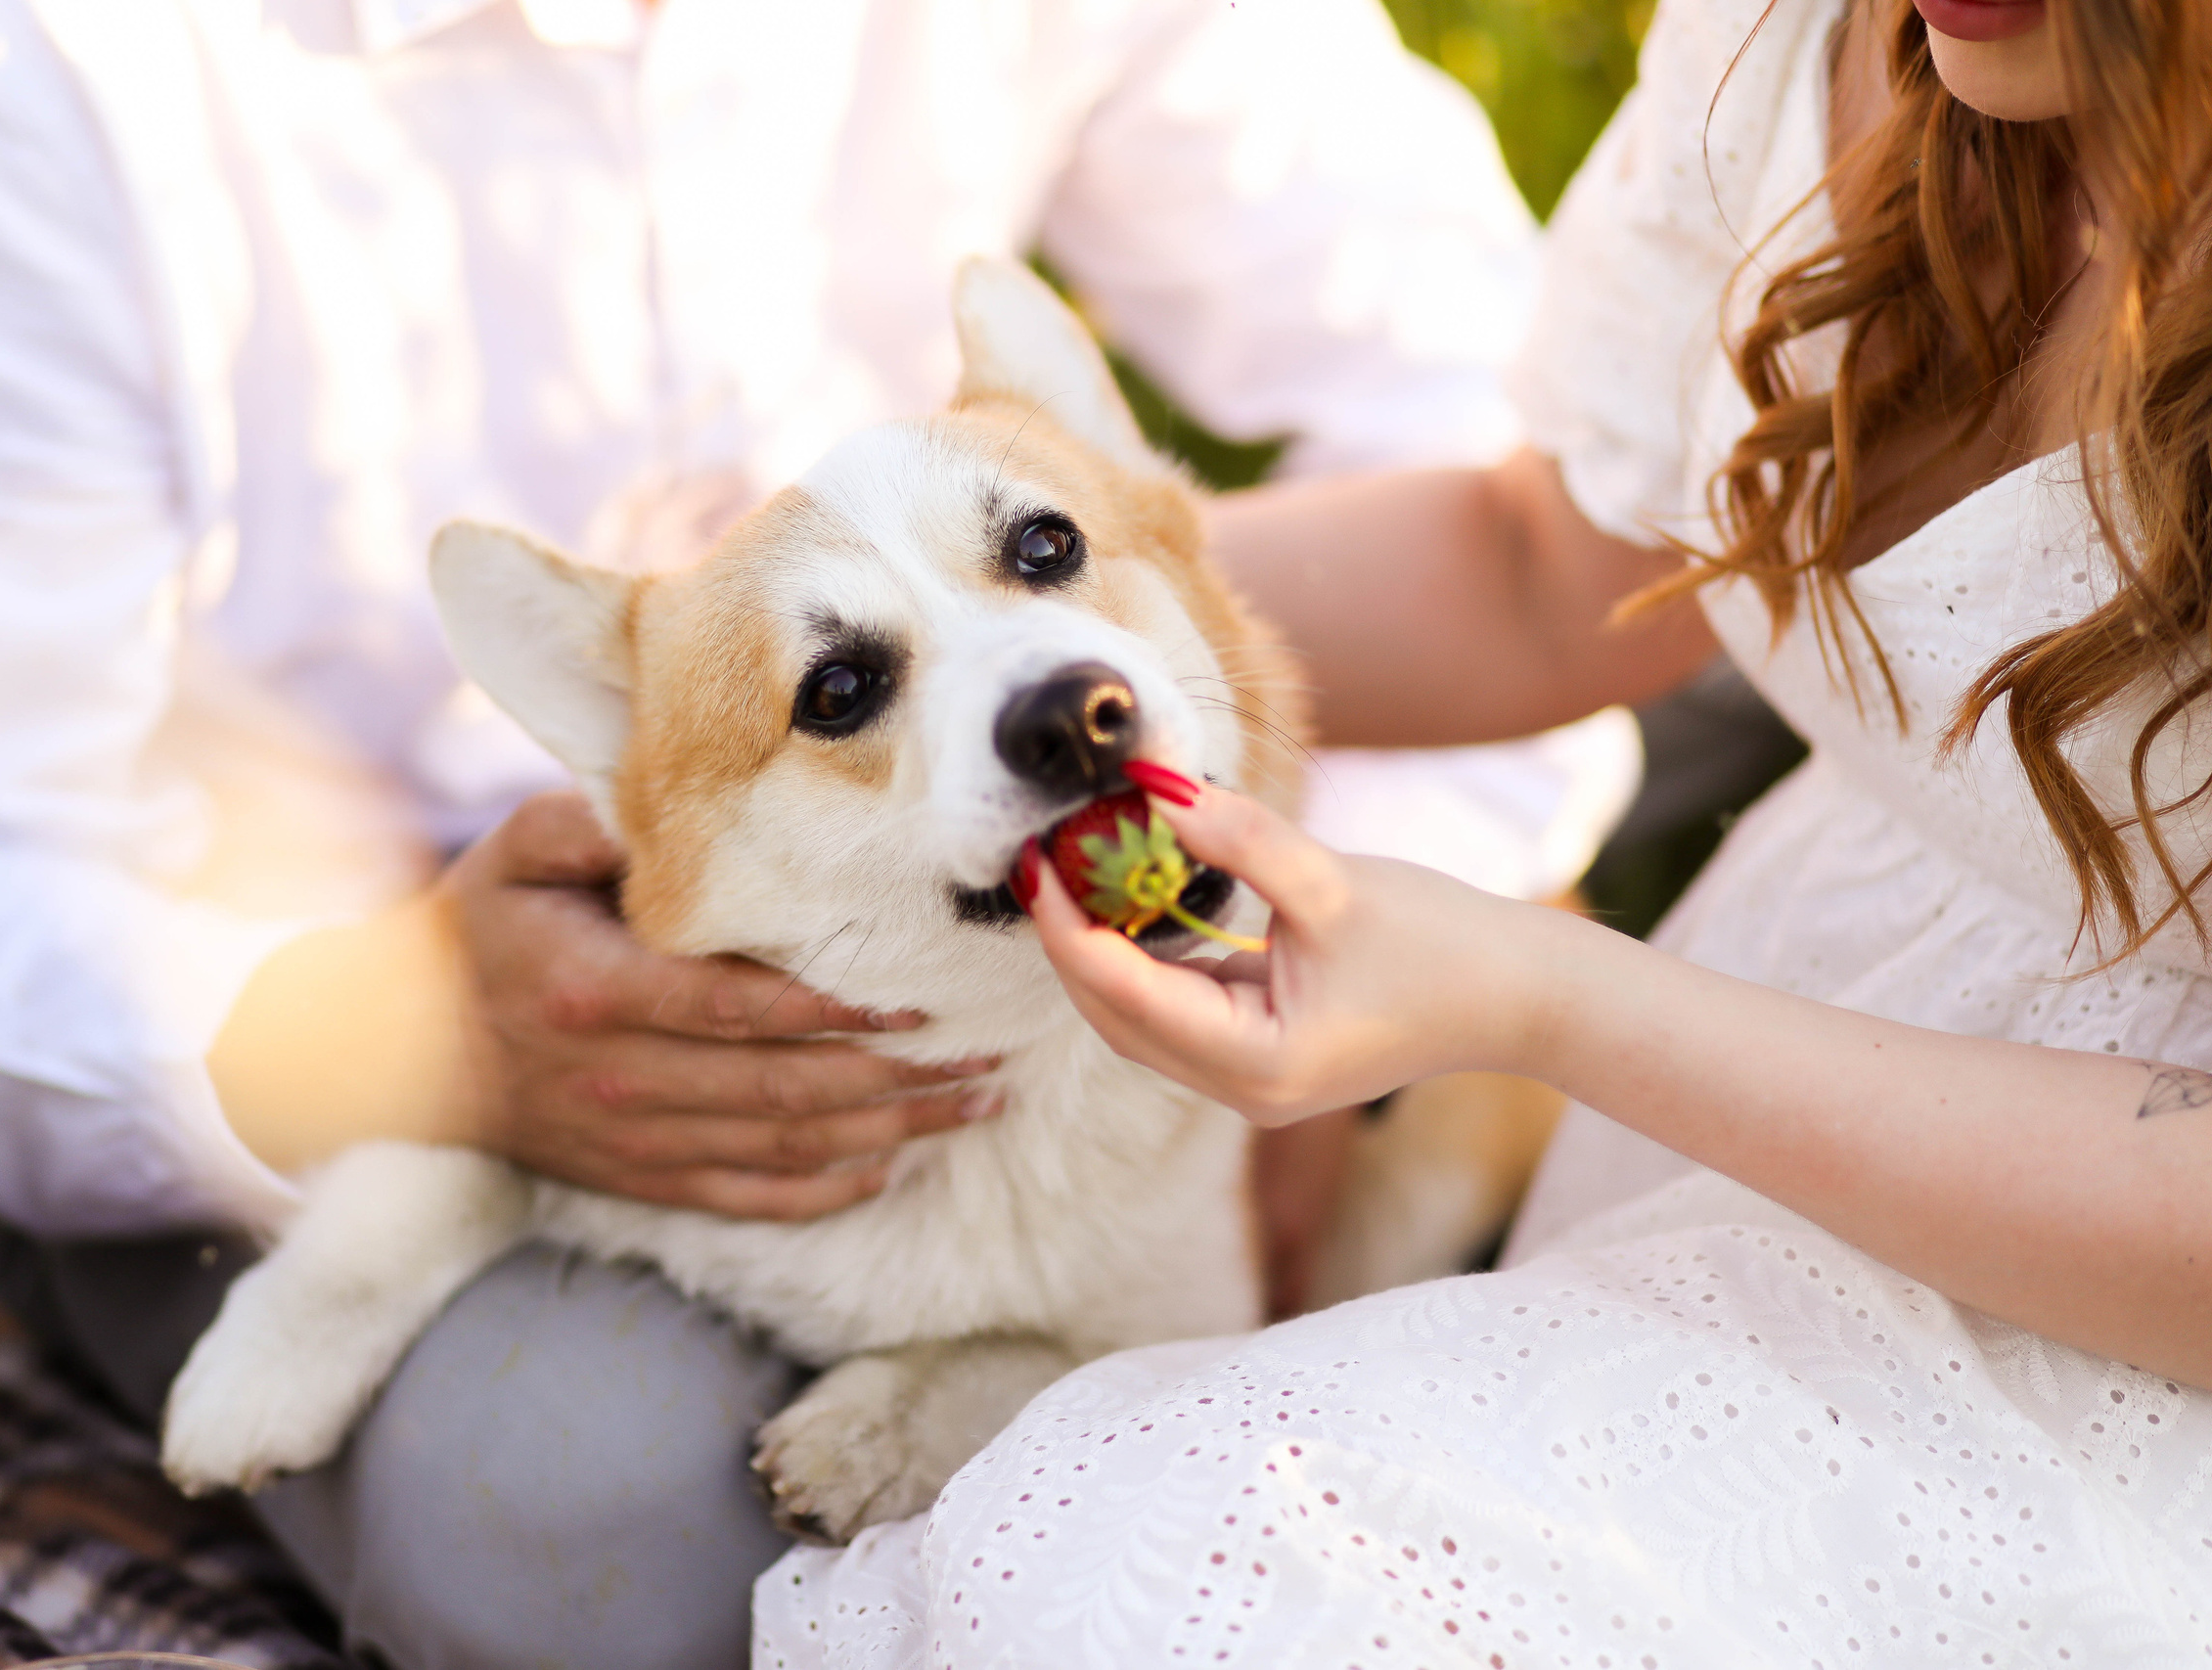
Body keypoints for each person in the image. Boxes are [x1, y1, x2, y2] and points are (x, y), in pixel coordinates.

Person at [0, 1, 1598, 1664]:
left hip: (1027, 957)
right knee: (588, 1521)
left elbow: (1533, 458)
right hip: (281, 1007)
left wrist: (1333, 953)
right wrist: (367, 1038)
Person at [757, 0, 2212, 1658]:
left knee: (1177, 1575)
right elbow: (1549, 571)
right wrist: (1020, 626)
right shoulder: (1818, 40)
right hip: (1810, 1046)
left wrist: (1535, 996)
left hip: (2130, 1303)